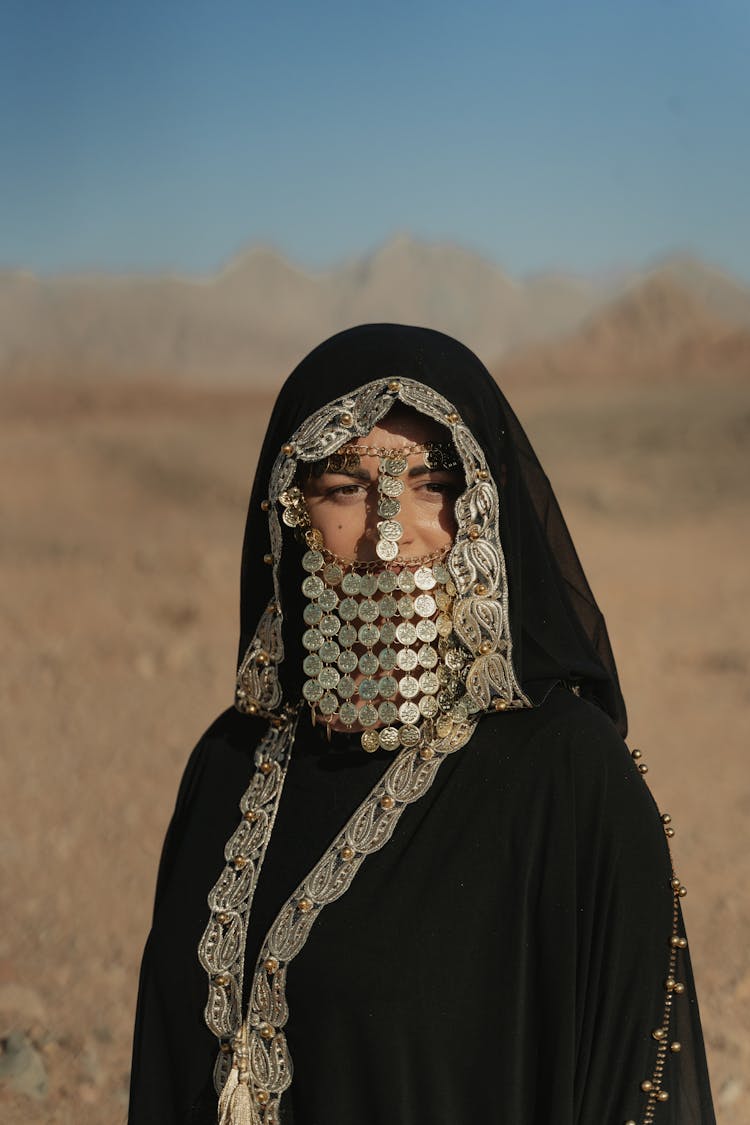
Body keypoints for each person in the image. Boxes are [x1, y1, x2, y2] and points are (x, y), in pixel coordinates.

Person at [128, 324, 715, 1125]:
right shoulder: (229, 765)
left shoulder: (571, 783)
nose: (389, 534)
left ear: (484, 508)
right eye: (344, 486)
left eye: (433, 483)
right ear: (290, 514)